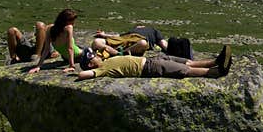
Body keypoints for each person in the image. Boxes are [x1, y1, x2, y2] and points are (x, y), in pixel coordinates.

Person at [77, 45, 232, 80]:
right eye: (93, 56)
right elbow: (84, 74)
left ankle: (215, 62)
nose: (97, 55)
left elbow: (106, 48)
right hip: (149, 67)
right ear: (91, 64)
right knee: (184, 69)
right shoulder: (101, 69)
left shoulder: (105, 61)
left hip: (152, 60)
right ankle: (216, 72)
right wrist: (75, 72)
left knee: (187, 62)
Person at [28, 8, 82, 74]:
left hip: (66, 58)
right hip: (80, 55)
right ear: (65, 21)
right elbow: (70, 48)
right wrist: (71, 66)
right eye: (72, 21)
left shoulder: (50, 28)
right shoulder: (69, 28)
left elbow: (46, 49)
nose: (73, 23)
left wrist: (39, 66)